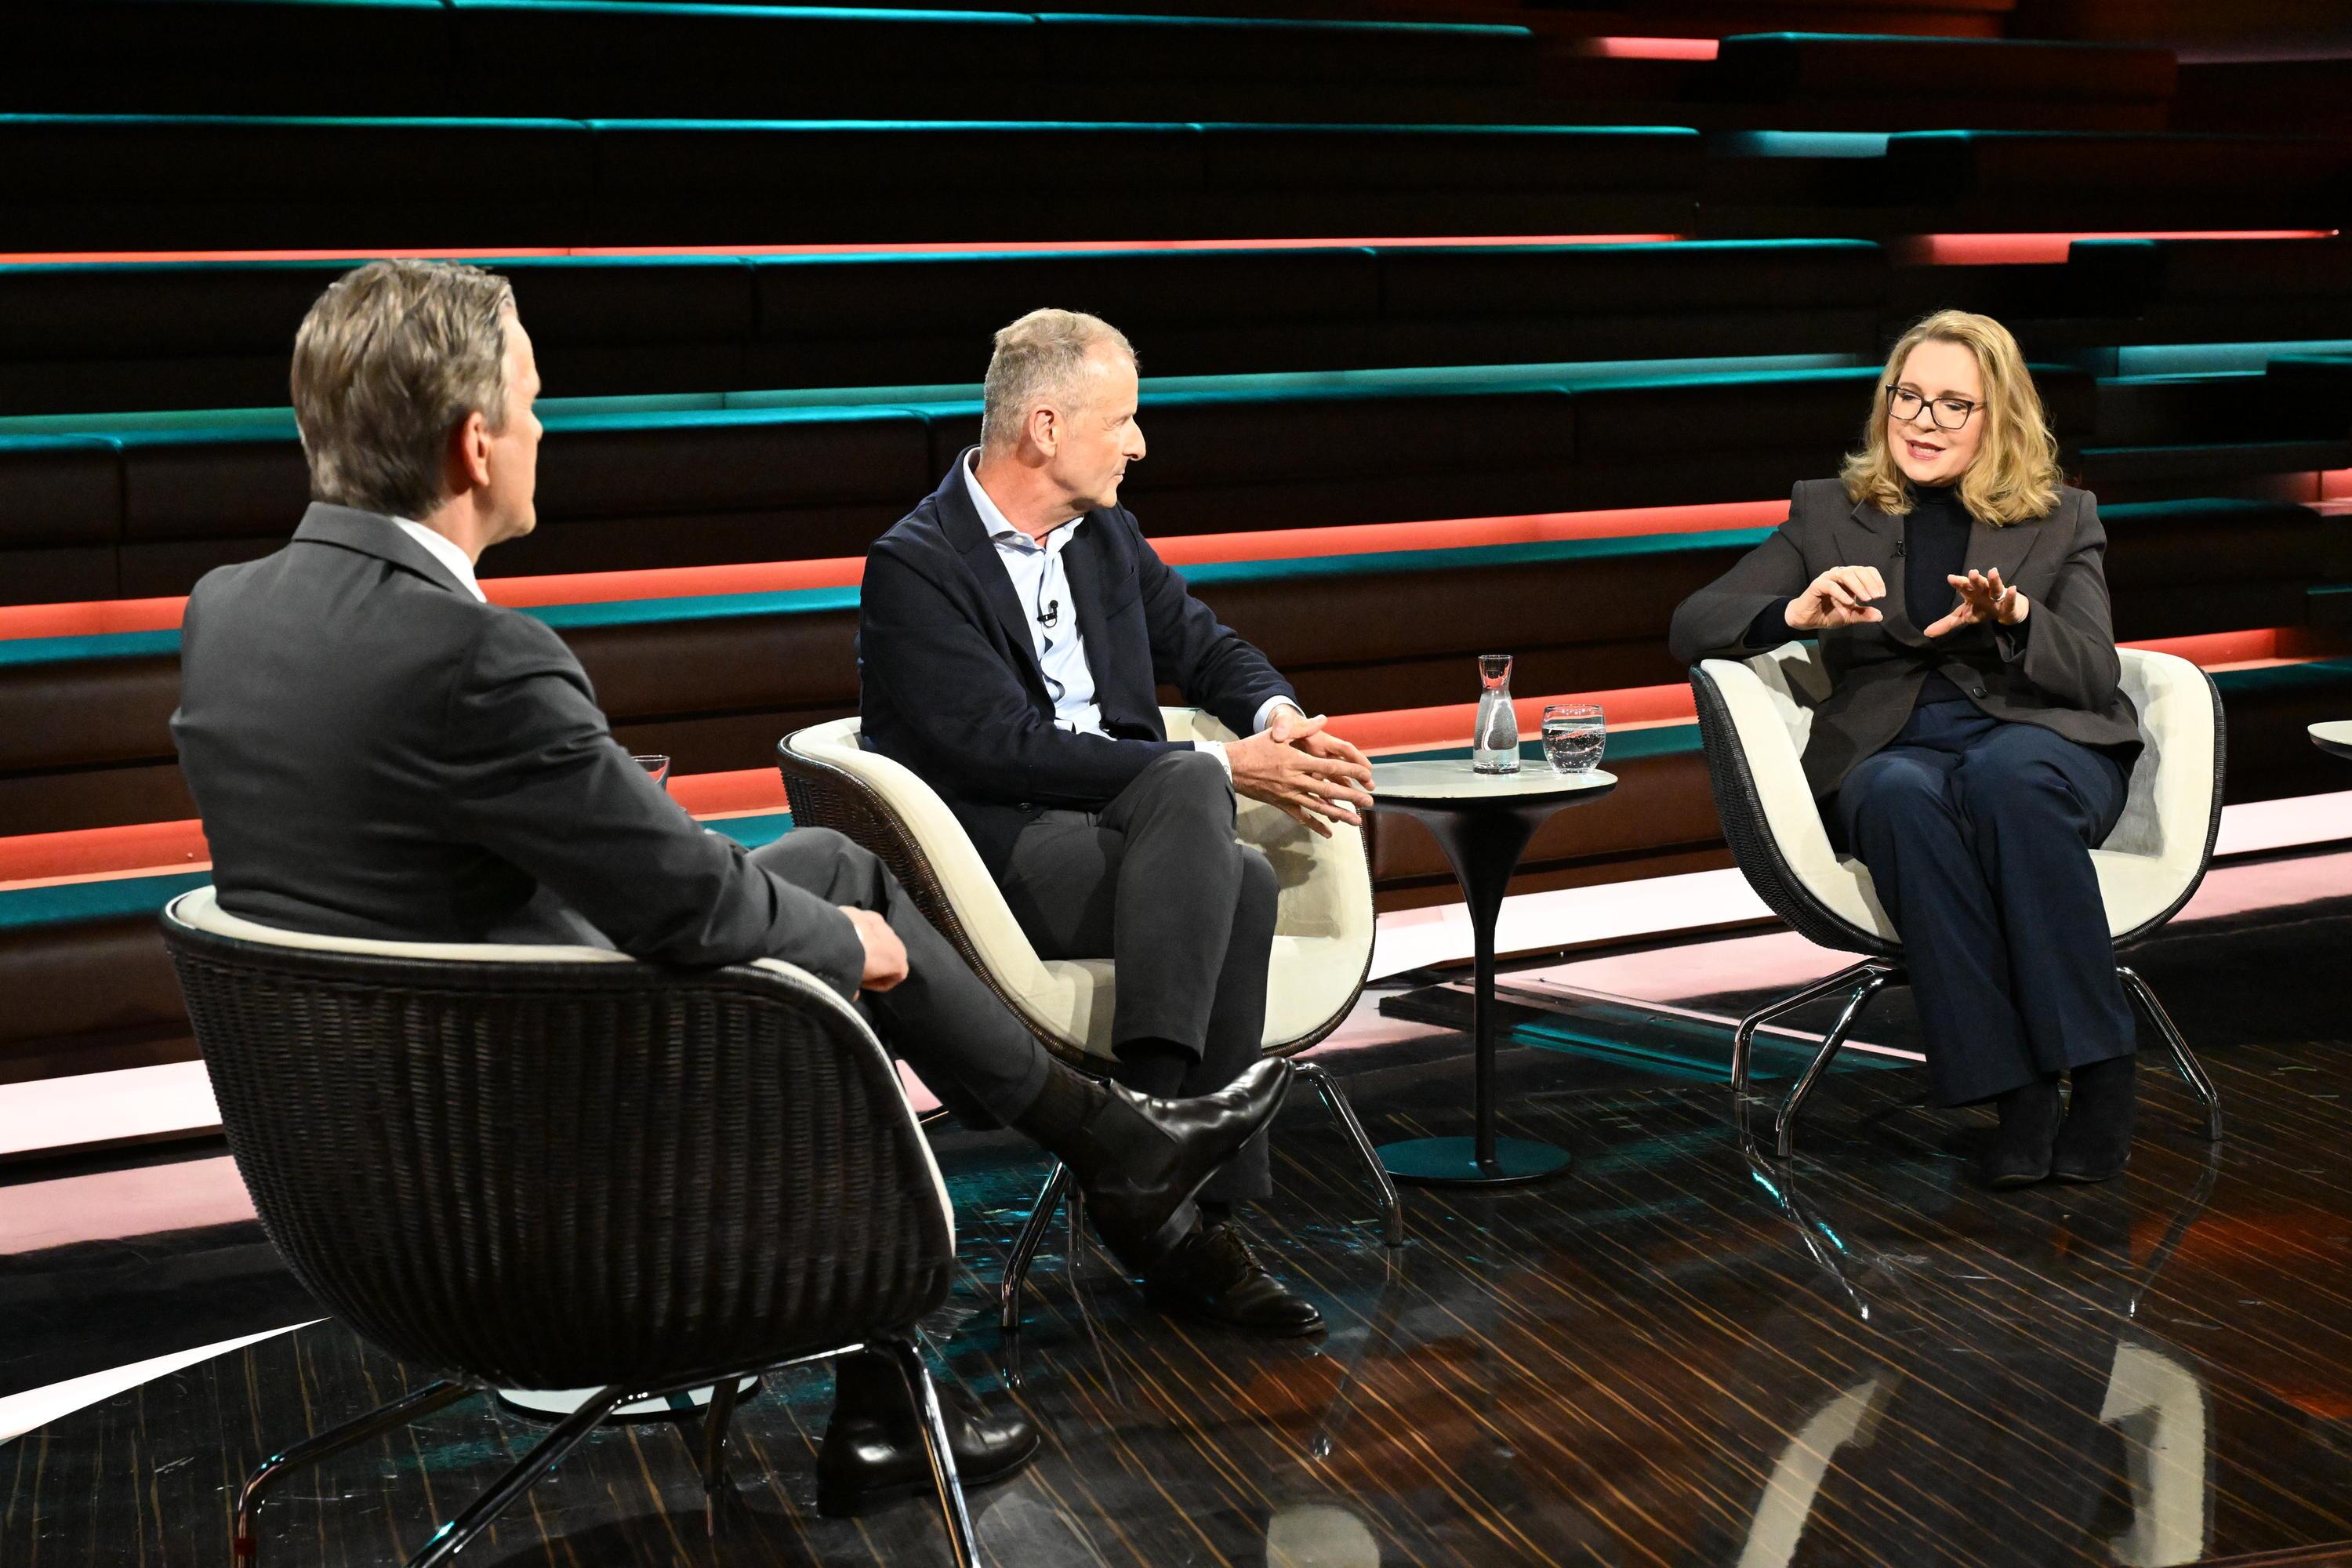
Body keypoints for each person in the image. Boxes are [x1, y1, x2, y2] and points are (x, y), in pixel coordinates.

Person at [170, 260, 1294, 1516]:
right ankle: (1110, 1157)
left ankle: (987, 1284)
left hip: (361, 1139)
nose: (543, 430)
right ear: (474, 445)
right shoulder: (480, 658)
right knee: (829, 947)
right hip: (530, 1143)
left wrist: (781, 895)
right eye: (534, 404)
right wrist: (854, 946)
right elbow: (687, 909)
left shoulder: (228, 614)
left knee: (834, 867)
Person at [858, 309, 1377, 1335]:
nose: (1139, 444)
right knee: (1201, 806)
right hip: (998, 858)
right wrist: (1217, 763)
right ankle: (1157, 1163)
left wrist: (1277, 716)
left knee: (1239, 867)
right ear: (1045, 427)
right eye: (1122, 421)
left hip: (1133, 838)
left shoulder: (1107, 537)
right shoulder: (916, 564)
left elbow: (1207, 646)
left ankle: (1171, 1199)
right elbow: (998, 749)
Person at [1668, 309, 2147, 1189]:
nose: (1923, 421)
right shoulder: (1828, 512)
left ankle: (2102, 1073)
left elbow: (2092, 670)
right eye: (1908, 396)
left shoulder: (2061, 517)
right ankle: (2017, 1093)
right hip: (1896, 746)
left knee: (2007, 781)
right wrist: (1795, 611)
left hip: (2041, 739)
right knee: (1893, 794)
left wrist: (2017, 616)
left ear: (1998, 416)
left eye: (1953, 404)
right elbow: (1692, 623)